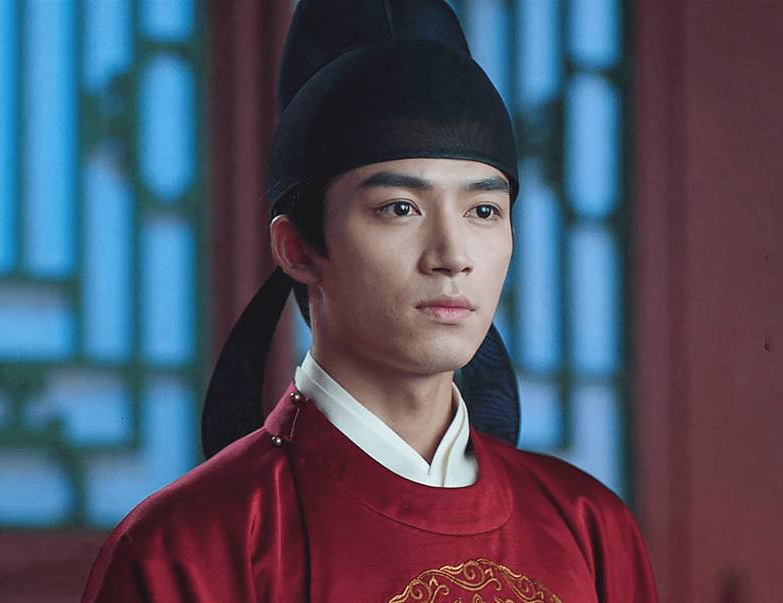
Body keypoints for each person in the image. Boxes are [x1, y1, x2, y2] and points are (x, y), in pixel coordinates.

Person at [82, 1, 659, 601]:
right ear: (298, 247)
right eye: (400, 208)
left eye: (484, 210)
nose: (451, 255)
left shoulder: (588, 526)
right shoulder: (190, 548)